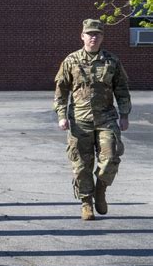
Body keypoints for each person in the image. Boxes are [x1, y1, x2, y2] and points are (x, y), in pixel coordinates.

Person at [54, 19, 131, 220]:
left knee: (111, 157)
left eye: (97, 34)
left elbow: (122, 89)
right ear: (82, 36)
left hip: (106, 118)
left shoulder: (111, 61)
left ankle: (101, 189)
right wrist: (62, 116)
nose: (93, 37)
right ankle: (86, 202)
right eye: (90, 34)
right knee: (81, 164)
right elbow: (61, 91)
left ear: (102, 37)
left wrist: (124, 114)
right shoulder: (71, 60)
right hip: (80, 120)